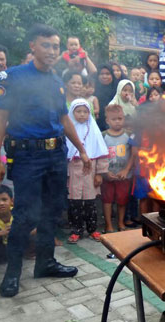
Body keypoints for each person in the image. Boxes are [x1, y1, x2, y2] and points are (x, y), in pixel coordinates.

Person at [0, 24, 91, 298]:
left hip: (55, 155)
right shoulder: (13, 76)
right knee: (24, 215)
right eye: (46, 45)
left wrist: (81, 148)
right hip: (27, 156)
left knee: (52, 211)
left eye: (55, 46)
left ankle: (45, 262)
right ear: (32, 46)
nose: (51, 51)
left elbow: (63, 119)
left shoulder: (57, 81)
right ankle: (12, 273)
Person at [66, 99, 109, 244]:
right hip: (73, 173)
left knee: (91, 204)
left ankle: (92, 229)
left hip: (90, 173)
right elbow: (64, 155)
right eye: (78, 111)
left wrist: (99, 173)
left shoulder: (94, 131)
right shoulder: (67, 132)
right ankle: (76, 230)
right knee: (74, 204)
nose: (82, 114)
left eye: (85, 111)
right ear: (72, 112)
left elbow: (101, 153)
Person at [101, 104, 133, 233]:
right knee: (107, 200)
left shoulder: (129, 135)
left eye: (120, 118)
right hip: (108, 175)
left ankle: (120, 222)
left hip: (124, 175)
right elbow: (100, 155)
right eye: (114, 119)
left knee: (122, 199)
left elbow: (133, 155)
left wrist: (126, 170)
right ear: (107, 121)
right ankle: (108, 224)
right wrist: (105, 171)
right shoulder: (103, 136)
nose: (117, 122)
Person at [95, 64, 117, 131]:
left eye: (107, 74)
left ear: (112, 75)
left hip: (114, 124)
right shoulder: (93, 90)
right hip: (97, 125)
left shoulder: (117, 89)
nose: (104, 76)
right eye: (101, 74)